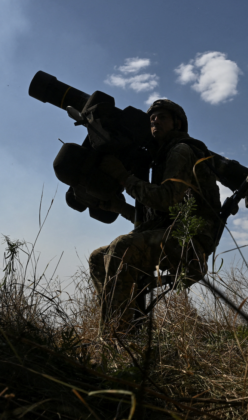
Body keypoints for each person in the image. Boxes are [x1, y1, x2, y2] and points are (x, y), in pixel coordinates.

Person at [89, 99, 221, 332]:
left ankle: (113, 335)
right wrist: (119, 208)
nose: (155, 122)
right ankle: (128, 327)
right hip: (170, 236)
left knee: (123, 247)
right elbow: (153, 220)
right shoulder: (158, 160)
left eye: (162, 117)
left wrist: (123, 177)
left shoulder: (181, 151)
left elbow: (165, 198)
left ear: (177, 124)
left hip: (188, 242)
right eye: (152, 119)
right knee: (98, 257)